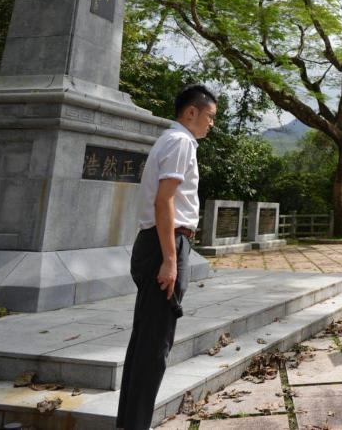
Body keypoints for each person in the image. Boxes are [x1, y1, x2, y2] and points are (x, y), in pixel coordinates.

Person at [117, 85, 216, 430]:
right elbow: (165, 201)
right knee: (154, 346)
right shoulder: (181, 142)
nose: (211, 124)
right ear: (191, 112)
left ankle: (130, 422)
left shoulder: (170, 140)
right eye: (210, 116)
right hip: (166, 243)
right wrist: (171, 259)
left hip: (157, 242)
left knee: (145, 342)